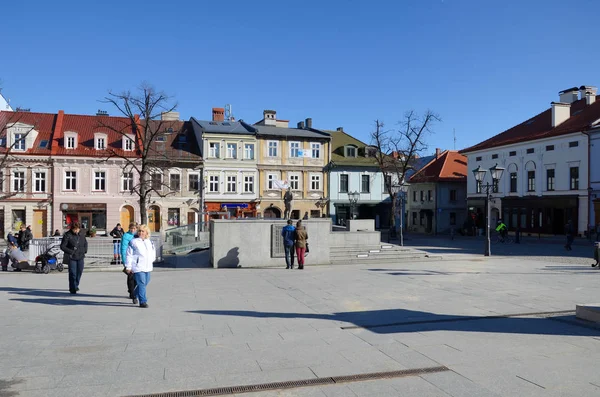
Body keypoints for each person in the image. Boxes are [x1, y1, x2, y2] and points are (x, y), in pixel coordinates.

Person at [125, 224, 156, 308]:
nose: (141, 233)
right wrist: (128, 266)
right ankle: (143, 301)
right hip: (138, 266)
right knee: (141, 283)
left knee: (146, 281)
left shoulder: (149, 242)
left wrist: (152, 259)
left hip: (147, 266)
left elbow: (153, 252)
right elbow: (129, 255)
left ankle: (134, 294)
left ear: (146, 233)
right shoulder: (133, 242)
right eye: (139, 231)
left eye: (143, 231)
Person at [60, 222, 88, 294]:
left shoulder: (81, 234)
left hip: (80, 256)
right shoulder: (67, 235)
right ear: (72, 229)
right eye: (75, 229)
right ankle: (72, 288)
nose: (76, 231)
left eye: (77, 229)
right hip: (72, 257)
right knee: (73, 273)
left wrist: (85, 250)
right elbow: (62, 246)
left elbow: (85, 242)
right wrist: (71, 251)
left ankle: (76, 284)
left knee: (79, 272)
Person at [121, 222, 138, 302]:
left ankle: (131, 289)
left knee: (137, 277)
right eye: (131, 228)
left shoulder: (138, 235)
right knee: (131, 276)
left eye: (134, 229)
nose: (133, 230)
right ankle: (131, 292)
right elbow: (124, 248)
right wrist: (125, 261)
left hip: (137, 260)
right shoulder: (126, 236)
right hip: (129, 258)